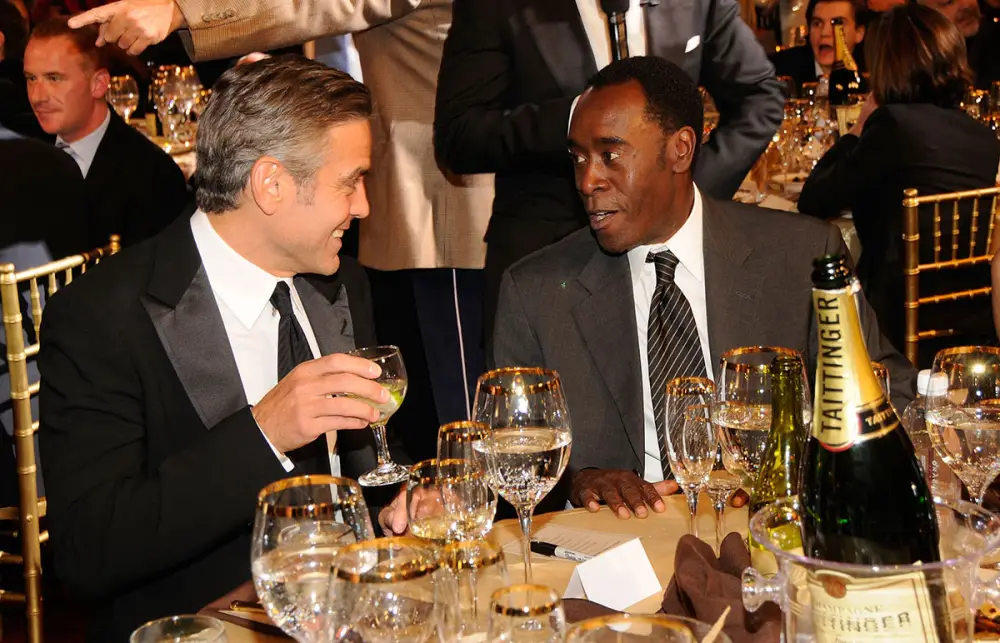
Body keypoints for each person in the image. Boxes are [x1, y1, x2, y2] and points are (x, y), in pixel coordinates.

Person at [38, 56, 401, 641]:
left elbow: (360, 466)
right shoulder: (103, 318)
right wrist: (263, 432)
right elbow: (87, 552)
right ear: (271, 183)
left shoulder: (340, 283)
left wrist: (394, 505)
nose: (363, 207)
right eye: (350, 181)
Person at [489, 56, 915, 519]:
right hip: (616, 551)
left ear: (680, 150)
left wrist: (800, 469)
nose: (587, 180)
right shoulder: (537, 292)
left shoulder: (799, 256)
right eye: (578, 159)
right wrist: (576, 482)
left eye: (610, 155)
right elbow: (508, 463)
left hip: (772, 531)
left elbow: (891, 396)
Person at [432, 0, 784, 347]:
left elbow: (760, 97)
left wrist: (684, 189)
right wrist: (578, 119)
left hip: (676, 258)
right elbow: (459, 136)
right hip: (550, 260)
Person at [798, 3, 1000, 366]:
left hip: (892, 323)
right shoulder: (983, 137)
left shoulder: (892, 127)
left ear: (888, 64)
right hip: (972, 321)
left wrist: (856, 130)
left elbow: (814, 199)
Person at [24, 17, 190, 248]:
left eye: (54, 79)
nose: (37, 96)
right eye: (31, 79)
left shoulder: (152, 176)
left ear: (99, 84)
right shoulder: (20, 150)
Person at [770, 0, 867, 90]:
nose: (824, 32)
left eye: (837, 23)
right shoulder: (774, 72)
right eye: (817, 24)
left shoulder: (872, 77)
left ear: (859, 33)